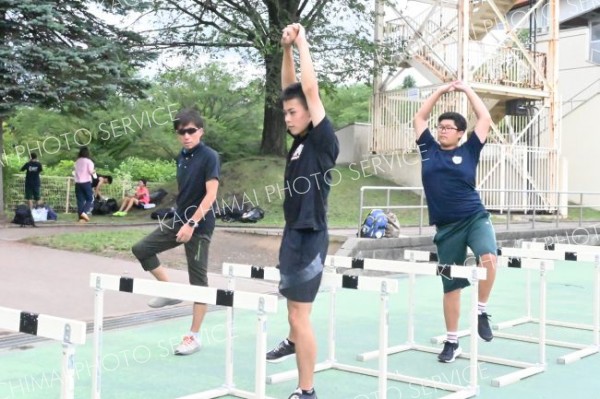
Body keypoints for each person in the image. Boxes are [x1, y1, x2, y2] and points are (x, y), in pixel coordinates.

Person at [265, 23, 339, 399]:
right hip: (292, 232)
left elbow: (308, 89)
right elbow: (291, 89)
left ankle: (307, 390)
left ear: (311, 113)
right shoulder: (298, 143)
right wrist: (285, 49)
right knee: (293, 310)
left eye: (293, 113)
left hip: (311, 236)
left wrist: (303, 41)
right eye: (286, 114)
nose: (288, 118)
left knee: (300, 314)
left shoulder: (323, 140)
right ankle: (293, 340)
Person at [413, 81, 497, 363]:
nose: (442, 130)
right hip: (446, 229)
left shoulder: (471, 150)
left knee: (489, 259)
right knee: (452, 286)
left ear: (461, 134)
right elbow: (419, 118)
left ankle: (481, 310)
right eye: (441, 126)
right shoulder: (428, 149)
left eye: (449, 127)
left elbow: (484, 118)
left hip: (474, 217)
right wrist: (439, 92)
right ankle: (452, 342)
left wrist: (466, 90)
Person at [131, 108, 219, 356]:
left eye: (191, 131)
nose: (186, 136)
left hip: (198, 225)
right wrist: (181, 219)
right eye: (182, 132)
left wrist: (191, 224)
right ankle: (169, 290)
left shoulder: (209, 156)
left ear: (200, 131)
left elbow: (211, 195)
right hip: (178, 220)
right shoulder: (182, 156)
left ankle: (194, 336)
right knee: (141, 249)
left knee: (198, 281)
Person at [73, 146, 96, 222]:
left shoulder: (77, 161)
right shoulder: (89, 161)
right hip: (86, 182)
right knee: (90, 198)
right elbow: (90, 171)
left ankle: (80, 218)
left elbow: (75, 172)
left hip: (77, 183)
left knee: (80, 200)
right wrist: (94, 172)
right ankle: (84, 212)